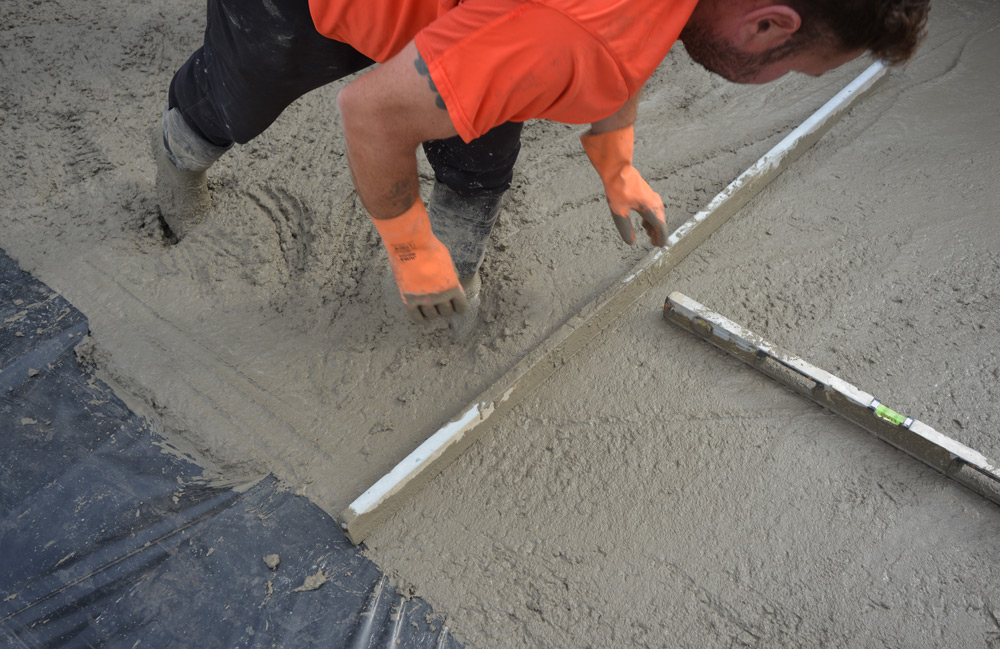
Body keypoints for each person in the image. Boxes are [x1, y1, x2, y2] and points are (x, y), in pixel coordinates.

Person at [154, 0, 930, 323]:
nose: (768, 83)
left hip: (482, 21)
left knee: (481, 149)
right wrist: (411, 250)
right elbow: (371, 113)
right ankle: (178, 155)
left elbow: (625, 52)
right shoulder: (566, 40)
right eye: (785, 70)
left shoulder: (615, 31)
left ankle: (454, 254)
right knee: (235, 99)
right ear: (767, 24)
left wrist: (617, 165)